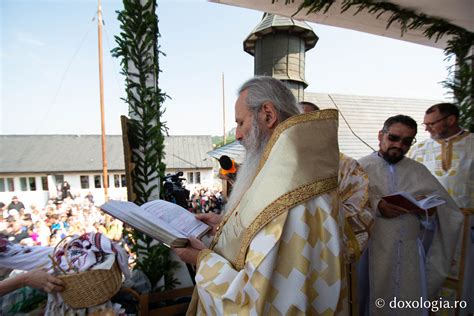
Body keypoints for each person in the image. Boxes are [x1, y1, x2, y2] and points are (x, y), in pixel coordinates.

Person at [174, 76, 346, 315]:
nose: (238, 134)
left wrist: (201, 260)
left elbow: (256, 303)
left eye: (241, 122)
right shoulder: (294, 177)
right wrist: (224, 228)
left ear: (267, 114)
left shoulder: (287, 195)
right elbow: (262, 243)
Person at [358, 115, 463, 316]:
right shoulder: (359, 167)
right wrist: (378, 205)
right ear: (381, 135)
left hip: (408, 252)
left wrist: (428, 210)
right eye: (394, 138)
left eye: (407, 141)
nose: (399, 145)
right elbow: (346, 202)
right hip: (372, 250)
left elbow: (446, 211)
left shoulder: (418, 170)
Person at [409, 102, 473, 314]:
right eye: (425, 124)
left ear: (451, 120)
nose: (426, 129)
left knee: (464, 279)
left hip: (467, 227)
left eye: (431, 123)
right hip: (430, 224)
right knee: (429, 273)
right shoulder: (419, 149)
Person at [301, 101, 374, 263]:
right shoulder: (278, 165)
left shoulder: (348, 166)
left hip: (329, 255)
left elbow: (361, 217)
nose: (301, 129)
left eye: (308, 122)